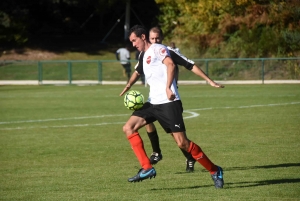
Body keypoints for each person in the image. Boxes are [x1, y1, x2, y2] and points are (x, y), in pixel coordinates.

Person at [119, 24, 224, 189]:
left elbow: (171, 65)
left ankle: (215, 170)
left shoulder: (158, 49)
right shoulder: (142, 55)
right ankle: (147, 168)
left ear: (143, 37)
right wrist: (128, 86)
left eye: (134, 40)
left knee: (182, 143)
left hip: (169, 103)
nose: (133, 44)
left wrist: (169, 87)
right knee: (128, 128)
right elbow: (138, 71)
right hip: (153, 102)